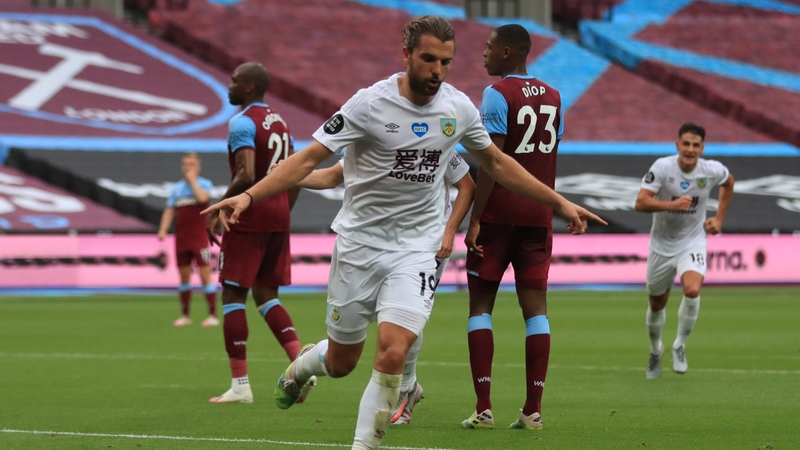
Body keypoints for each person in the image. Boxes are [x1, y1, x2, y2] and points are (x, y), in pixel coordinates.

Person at [203, 16, 604, 449]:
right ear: (407, 55)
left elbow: (498, 164)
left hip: (416, 249)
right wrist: (247, 197)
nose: (437, 70)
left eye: (445, 62)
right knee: (341, 363)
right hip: (359, 245)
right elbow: (310, 161)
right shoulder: (368, 105)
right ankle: (302, 367)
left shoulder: (457, 109)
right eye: (428, 59)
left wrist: (558, 201)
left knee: (394, 350)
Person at [293, 152, 476, 425]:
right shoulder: (372, 131)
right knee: (343, 358)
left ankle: (406, 389)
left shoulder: (437, 134)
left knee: (407, 316)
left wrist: (450, 231)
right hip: (369, 245)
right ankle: (316, 360)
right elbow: (331, 176)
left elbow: (466, 184)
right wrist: (288, 174)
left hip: (426, 244)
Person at [460, 24, 564, 431]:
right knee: (535, 312)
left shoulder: (497, 94)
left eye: (488, 48)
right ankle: (532, 409)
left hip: (498, 216)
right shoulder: (554, 97)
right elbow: (550, 154)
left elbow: (492, 162)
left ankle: (484, 407)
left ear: (507, 52)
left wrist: (474, 220)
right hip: (538, 217)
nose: (483, 54)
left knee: (480, 307)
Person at [206, 62, 309, 404]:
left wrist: (223, 206)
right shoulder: (281, 121)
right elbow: (294, 172)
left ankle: (240, 386)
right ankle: (299, 367)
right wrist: (282, 210)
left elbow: (246, 173)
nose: (230, 85)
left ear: (249, 87)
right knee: (267, 295)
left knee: (234, 295)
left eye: (235, 80)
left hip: (248, 214)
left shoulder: (241, 122)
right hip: (278, 213)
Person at [635, 122, 734, 379]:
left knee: (692, 290)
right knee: (657, 304)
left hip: (693, 241)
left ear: (702, 148)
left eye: (695, 145)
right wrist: (672, 204)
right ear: (677, 145)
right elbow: (640, 202)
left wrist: (719, 218)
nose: (690, 149)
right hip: (662, 244)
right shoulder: (662, 167)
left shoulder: (711, 170)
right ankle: (656, 350)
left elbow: (729, 182)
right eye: (686, 144)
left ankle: (680, 345)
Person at [157, 152, 219, 328]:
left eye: (192, 164)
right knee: (184, 277)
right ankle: (185, 315)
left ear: (198, 167)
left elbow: (203, 199)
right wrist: (162, 229)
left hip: (199, 239)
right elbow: (170, 209)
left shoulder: (204, 184)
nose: (188, 168)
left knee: (205, 274)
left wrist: (193, 181)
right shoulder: (176, 189)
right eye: (185, 164)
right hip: (182, 239)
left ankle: (212, 315)